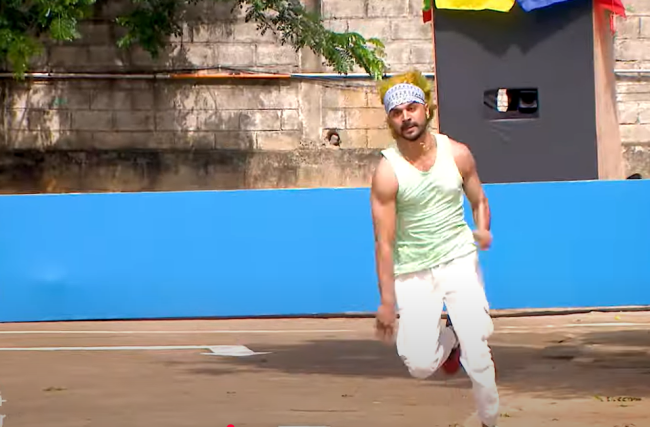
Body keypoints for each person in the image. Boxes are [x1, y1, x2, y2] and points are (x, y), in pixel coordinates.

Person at [370, 70, 500, 427]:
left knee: (478, 347)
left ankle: (490, 421)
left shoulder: (457, 154)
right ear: (390, 121)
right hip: (413, 270)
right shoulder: (387, 172)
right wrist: (386, 302)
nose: (406, 117)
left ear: (426, 109)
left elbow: (479, 200)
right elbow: (384, 241)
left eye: (411, 108)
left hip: (458, 258)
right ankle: (450, 337)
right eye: (397, 113)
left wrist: (483, 228)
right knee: (419, 364)